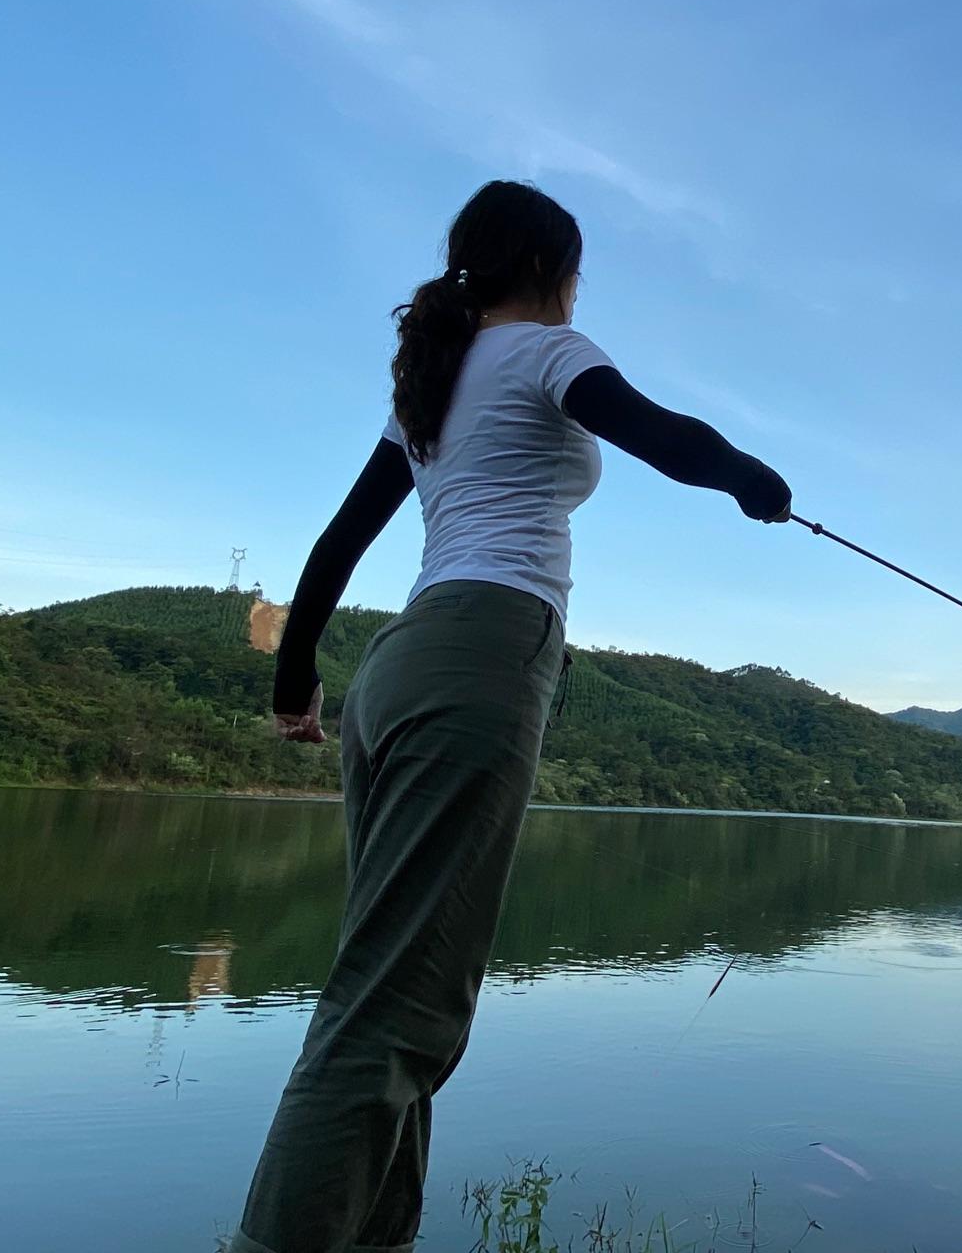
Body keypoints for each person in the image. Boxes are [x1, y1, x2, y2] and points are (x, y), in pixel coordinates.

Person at [233, 180, 791, 1253]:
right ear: (550, 270)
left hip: (399, 668)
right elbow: (661, 435)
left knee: (391, 983)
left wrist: (294, 681)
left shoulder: (429, 390)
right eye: (577, 273)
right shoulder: (543, 351)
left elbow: (333, 550)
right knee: (396, 1008)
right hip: (480, 655)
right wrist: (748, 479)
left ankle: (372, 1238)